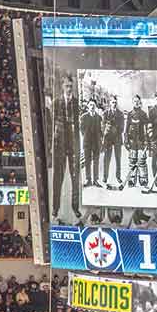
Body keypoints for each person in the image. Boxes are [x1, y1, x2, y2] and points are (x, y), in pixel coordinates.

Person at [51, 74, 81, 222]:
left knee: (75, 178)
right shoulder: (56, 102)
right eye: (67, 86)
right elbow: (52, 125)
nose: (69, 89)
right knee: (58, 177)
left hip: (73, 142)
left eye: (71, 86)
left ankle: (75, 207)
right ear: (62, 86)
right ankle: (55, 209)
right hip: (60, 143)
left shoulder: (77, 103)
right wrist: (53, 145)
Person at [124, 95, 149, 190]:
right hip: (132, 141)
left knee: (142, 161)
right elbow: (126, 129)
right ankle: (131, 179)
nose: (136, 103)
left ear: (140, 102)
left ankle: (143, 180)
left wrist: (147, 141)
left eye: (138, 101)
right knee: (132, 161)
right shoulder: (130, 114)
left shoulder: (143, 114)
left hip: (141, 142)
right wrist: (126, 140)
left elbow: (147, 128)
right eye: (134, 101)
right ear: (132, 102)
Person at [102, 96, 125, 190]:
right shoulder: (105, 113)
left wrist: (116, 130)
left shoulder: (120, 114)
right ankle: (105, 176)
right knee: (106, 158)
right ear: (109, 103)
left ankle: (118, 177)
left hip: (117, 138)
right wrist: (107, 130)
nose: (114, 104)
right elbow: (102, 125)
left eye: (115, 102)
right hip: (108, 139)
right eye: (112, 102)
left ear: (117, 103)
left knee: (118, 159)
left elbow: (122, 127)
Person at [81, 98, 103, 187]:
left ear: (96, 107)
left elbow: (101, 130)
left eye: (93, 105)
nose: (92, 107)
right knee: (87, 161)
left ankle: (96, 180)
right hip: (87, 142)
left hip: (96, 143)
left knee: (96, 161)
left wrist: (100, 140)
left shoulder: (99, 117)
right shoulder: (84, 117)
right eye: (90, 105)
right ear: (88, 106)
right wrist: (86, 137)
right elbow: (82, 129)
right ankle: (88, 179)